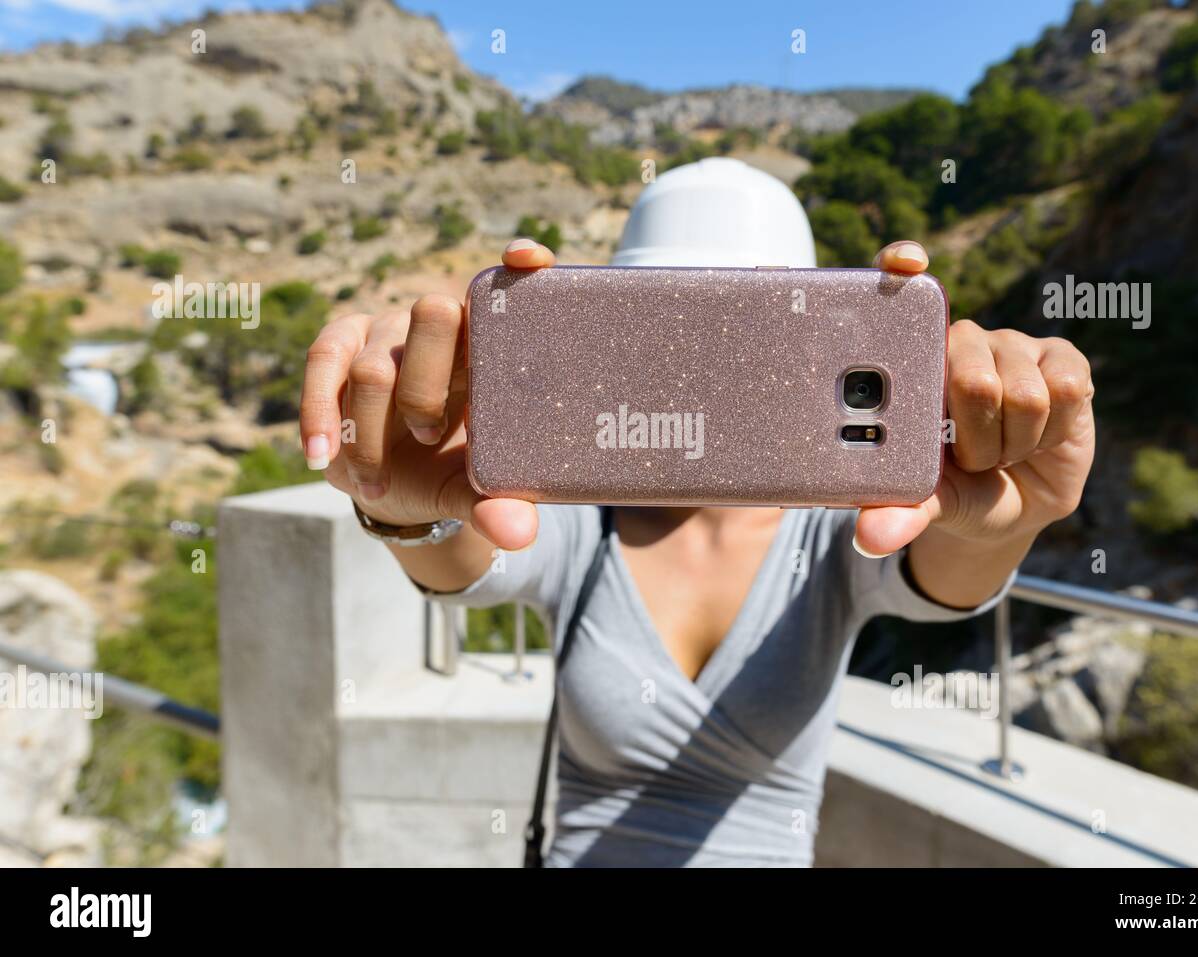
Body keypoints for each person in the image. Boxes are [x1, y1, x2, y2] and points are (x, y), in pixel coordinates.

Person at [298, 158, 1095, 866]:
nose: (696, 368)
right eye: (668, 331)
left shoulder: (831, 526)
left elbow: (950, 577)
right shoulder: (579, 511)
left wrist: (1016, 516)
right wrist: (400, 501)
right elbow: (465, 566)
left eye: (739, 334)